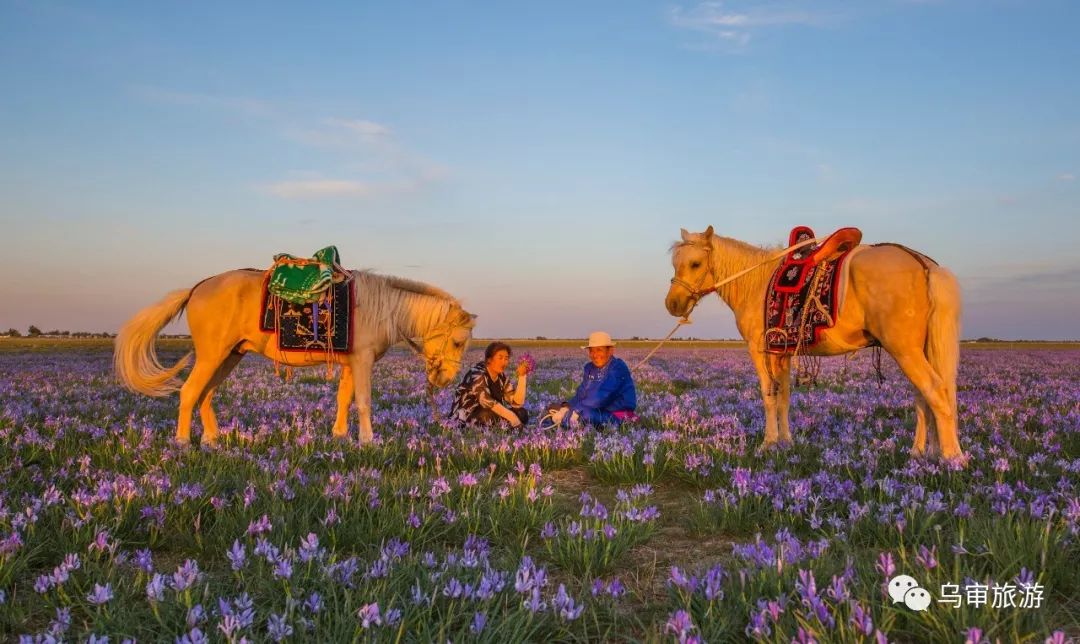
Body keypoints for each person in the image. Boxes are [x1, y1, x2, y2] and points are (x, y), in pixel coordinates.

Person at [548, 331, 637, 427]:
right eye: (591, 351)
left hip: (617, 414)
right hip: (596, 410)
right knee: (554, 407)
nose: (595, 355)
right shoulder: (589, 368)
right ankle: (564, 420)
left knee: (585, 414)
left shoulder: (618, 368)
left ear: (610, 351)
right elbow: (581, 393)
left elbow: (601, 396)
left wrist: (575, 410)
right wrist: (567, 406)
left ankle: (565, 422)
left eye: (599, 350)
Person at [449, 341, 529, 427]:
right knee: (488, 416)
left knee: (522, 413)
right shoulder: (477, 374)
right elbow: (487, 402)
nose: (504, 362)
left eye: (506, 358)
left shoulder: (501, 376)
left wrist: (522, 377)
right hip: (468, 415)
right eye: (500, 358)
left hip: (492, 412)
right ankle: (506, 427)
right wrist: (513, 418)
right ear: (489, 359)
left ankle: (505, 426)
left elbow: (516, 403)